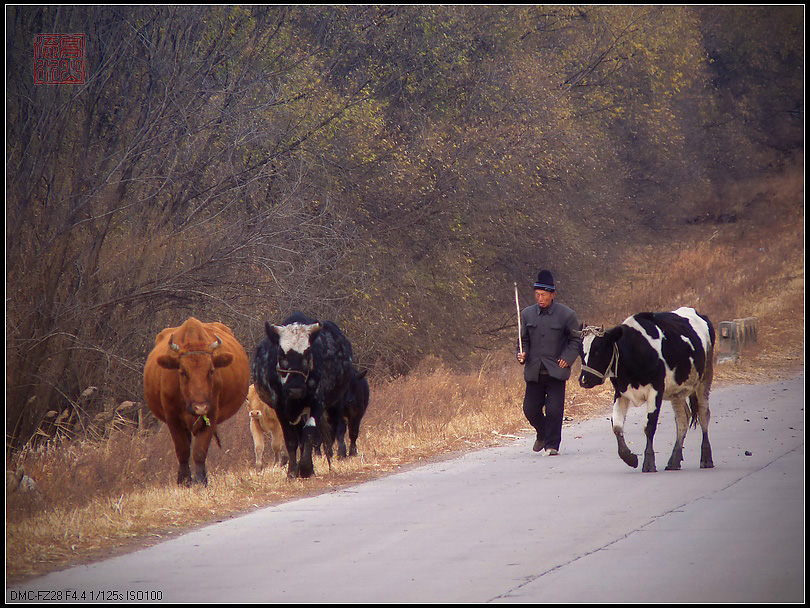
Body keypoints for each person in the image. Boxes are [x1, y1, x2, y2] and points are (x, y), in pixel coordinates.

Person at [516, 270, 580, 455]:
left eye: (543, 295)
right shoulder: (527, 314)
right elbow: (523, 341)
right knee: (530, 409)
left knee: (554, 411)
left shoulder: (567, 315)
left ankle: (552, 446)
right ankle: (542, 433)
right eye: (537, 295)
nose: (540, 298)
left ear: (553, 294)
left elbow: (575, 340)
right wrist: (522, 354)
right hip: (534, 371)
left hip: (555, 372)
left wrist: (567, 359)